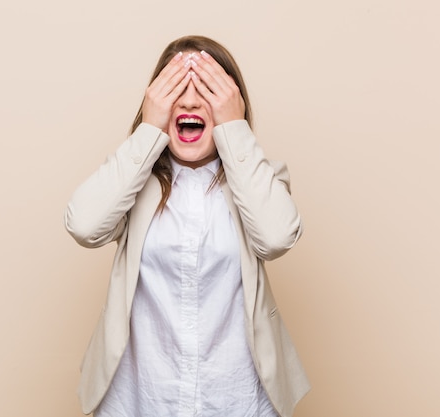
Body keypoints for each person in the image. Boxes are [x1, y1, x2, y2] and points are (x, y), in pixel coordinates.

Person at [64, 35, 309, 417]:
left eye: (208, 91)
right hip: (141, 397)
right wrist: (149, 130)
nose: (191, 101)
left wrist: (234, 127)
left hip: (236, 396)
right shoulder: (132, 180)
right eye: (175, 89)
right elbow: (84, 225)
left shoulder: (258, 178)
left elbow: (276, 238)